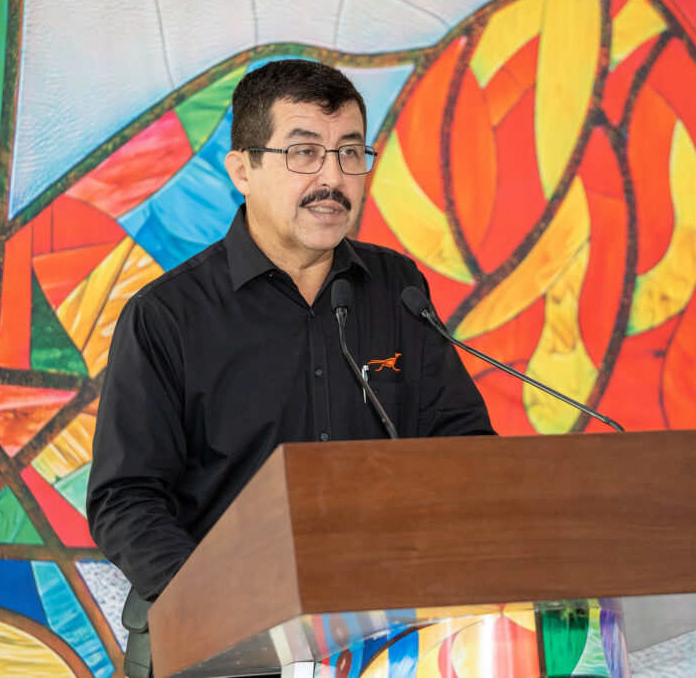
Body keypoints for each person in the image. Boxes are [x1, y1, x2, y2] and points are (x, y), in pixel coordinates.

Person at [86, 59, 493, 674]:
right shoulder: (167, 316)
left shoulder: (397, 289)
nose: (333, 178)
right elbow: (125, 500)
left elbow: (463, 449)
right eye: (304, 153)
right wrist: (227, 607)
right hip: (224, 646)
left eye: (350, 153)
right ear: (242, 170)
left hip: (386, 639)